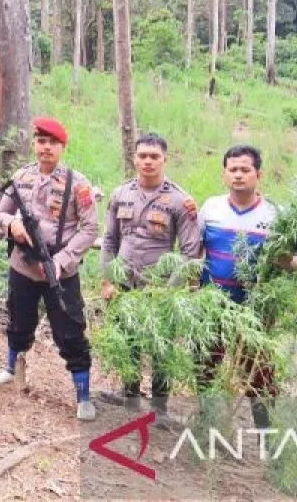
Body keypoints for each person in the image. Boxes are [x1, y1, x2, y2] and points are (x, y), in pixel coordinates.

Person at [0, 117, 102, 421]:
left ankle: (83, 396)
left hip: (59, 269)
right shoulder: (21, 176)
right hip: (23, 264)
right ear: (34, 144)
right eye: (41, 141)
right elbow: (1, 213)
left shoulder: (78, 184)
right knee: (18, 319)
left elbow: (90, 228)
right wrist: (12, 225)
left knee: (70, 330)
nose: (46, 148)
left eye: (52, 143)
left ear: (62, 147)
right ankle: (11, 368)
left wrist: (62, 260)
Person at [99, 133, 202, 421]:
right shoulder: (121, 194)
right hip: (124, 282)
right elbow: (109, 241)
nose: (148, 161)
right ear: (134, 158)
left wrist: (170, 291)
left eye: (154, 156)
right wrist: (107, 280)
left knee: (161, 347)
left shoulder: (180, 201)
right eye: (142, 155)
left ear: (165, 159)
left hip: (160, 286)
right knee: (127, 340)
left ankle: (160, 409)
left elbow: (190, 252)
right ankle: (130, 396)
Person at [197, 144, 297, 427]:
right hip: (213, 305)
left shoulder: (276, 215)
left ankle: (266, 434)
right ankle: (208, 428)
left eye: (245, 169)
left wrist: (286, 261)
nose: (238, 175)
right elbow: (195, 253)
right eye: (233, 169)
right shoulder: (211, 208)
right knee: (205, 368)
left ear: (259, 174)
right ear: (224, 174)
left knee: (259, 373)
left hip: (254, 311)